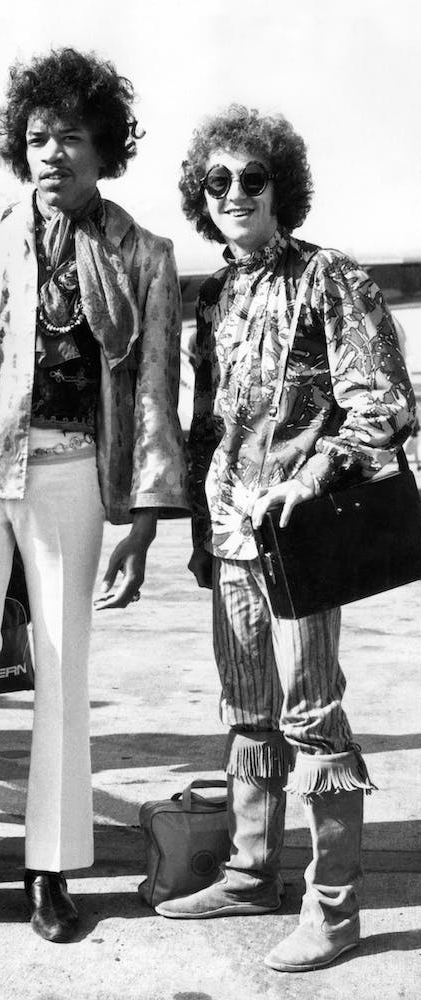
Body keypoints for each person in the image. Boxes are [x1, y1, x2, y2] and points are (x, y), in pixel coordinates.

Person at [0, 47, 187, 942]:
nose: (51, 153)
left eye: (70, 137)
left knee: (63, 670)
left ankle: (49, 872)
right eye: (36, 138)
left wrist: (144, 522)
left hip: (71, 472)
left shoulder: (144, 253)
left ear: (105, 147)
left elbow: (154, 391)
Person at [157, 104, 415, 973]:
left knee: (311, 717)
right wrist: (202, 534)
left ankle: (333, 909)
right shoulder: (213, 294)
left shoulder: (328, 275)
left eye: (252, 178)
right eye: (216, 181)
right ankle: (249, 872)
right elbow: (208, 427)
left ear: (282, 189)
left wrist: (314, 476)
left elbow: (384, 404)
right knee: (246, 712)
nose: (234, 193)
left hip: (300, 541)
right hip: (231, 536)